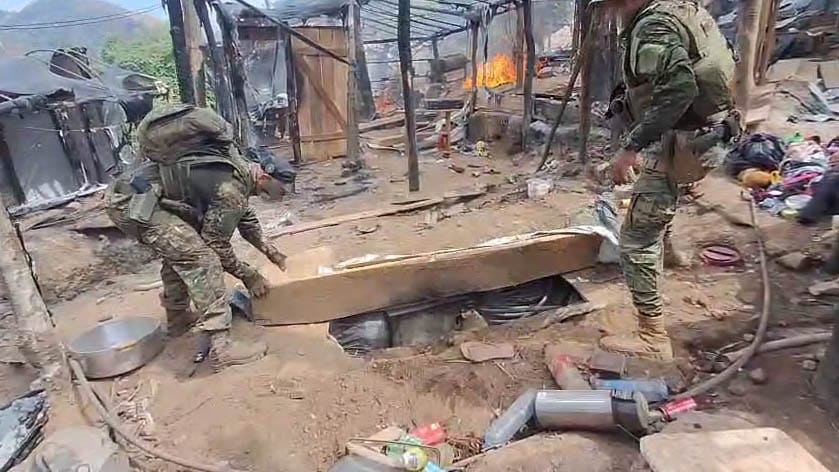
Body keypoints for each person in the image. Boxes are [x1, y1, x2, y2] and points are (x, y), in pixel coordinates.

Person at [595, 0, 740, 360]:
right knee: (658, 196)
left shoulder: (653, 26)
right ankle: (672, 254)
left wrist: (631, 146)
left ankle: (652, 337)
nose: (609, 11)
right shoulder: (678, 9)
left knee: (636, 238)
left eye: (611, 5)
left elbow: (680, 89)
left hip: (681, 144)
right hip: (708, 134)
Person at [105, 163, 267, 371]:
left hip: (130, 195)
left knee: (180, 251)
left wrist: (274, 255)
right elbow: (216, 245)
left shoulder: (233, 171)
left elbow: (246, 219)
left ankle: (178, 319)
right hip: (137, 201)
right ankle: (222, 347)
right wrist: (249, 275)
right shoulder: (232, 183)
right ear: (263, 177)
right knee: (202, 259)